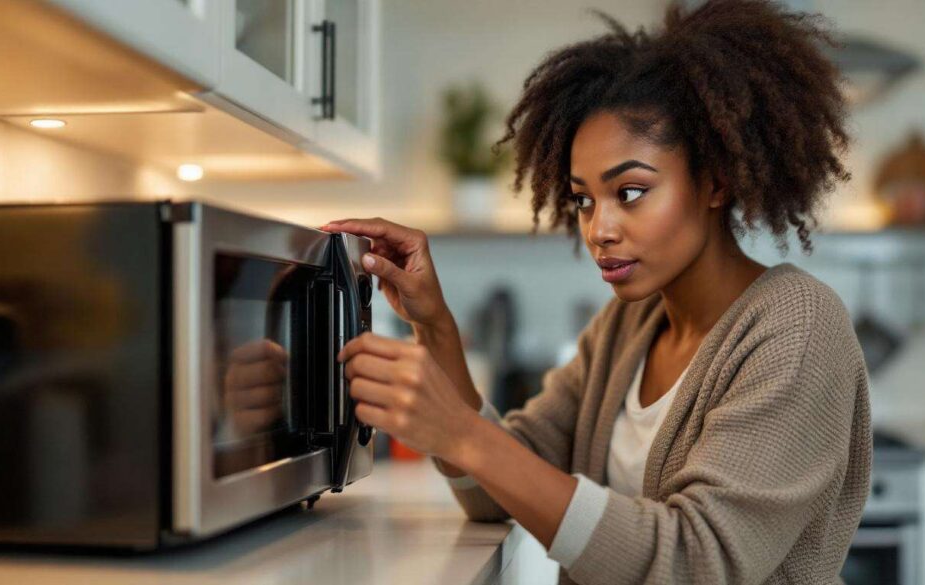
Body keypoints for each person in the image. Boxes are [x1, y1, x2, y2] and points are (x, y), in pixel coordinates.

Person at [322, 0, 871, 582]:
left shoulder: (796, 327)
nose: (598, 229)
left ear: (716, 181)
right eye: (584, 198)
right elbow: (497, 493)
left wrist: (461, 432)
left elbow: (697, 562)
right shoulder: (624, 329)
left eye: (630, 192)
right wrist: (433, 326)